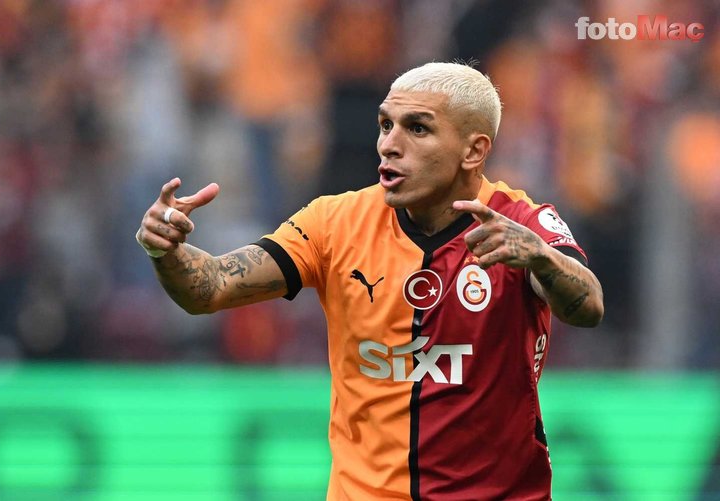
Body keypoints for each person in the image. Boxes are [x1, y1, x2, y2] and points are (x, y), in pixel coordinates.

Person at [136, 61, 604, 500]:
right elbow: (211, 287)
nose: (389, 144)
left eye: (417, 128)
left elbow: (588, 306)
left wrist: (541, 258)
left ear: (474, 150)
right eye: (385, 125)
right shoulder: (334, 223)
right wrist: (165, 250)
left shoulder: (521, 224)